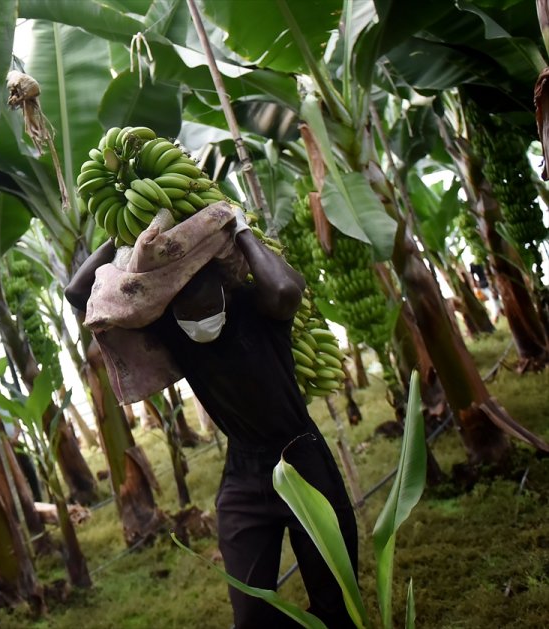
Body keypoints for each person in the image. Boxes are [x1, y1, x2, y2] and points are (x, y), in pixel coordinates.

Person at [65, 206, 358, 628]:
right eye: (188, 313)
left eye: (206, 306)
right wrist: (121, 235)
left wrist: (236, 226)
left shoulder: (256, 306)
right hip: (244, 473)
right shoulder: (171, 329)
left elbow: (284, 290)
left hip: (303, 458)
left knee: (336, 606)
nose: (199, 322)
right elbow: (79, 294)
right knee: (251, 615)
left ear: (224, 287)